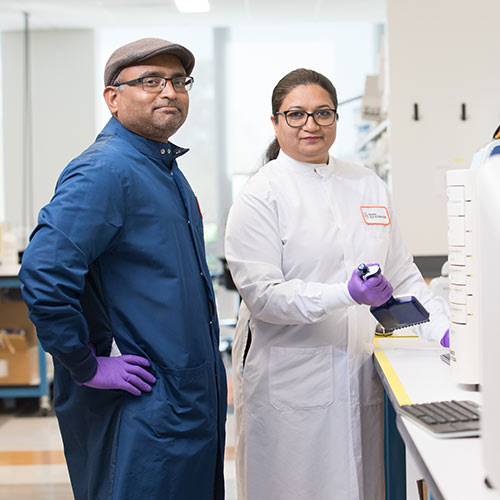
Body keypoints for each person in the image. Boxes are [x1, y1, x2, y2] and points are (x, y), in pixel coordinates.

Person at [224, 68, 449, 500]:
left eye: (323, 113)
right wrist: (344, 294)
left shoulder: (367, 185)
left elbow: (402, 273)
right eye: (296, 114)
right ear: (275, 122)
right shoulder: (260, 195)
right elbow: (263, 296)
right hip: (291, 381)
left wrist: (440, 328)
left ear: (335, 119)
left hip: (360, 371)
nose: (311, 124)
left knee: (363, 485)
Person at [19, 38, 227, 500]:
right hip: (141, 411)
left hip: (184, 403)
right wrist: (84, 364)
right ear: (113, 98)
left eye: (178, 81)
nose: (169, 91)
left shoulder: (164, 169)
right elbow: (44, 273)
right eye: (151, 81)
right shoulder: (105, 171)